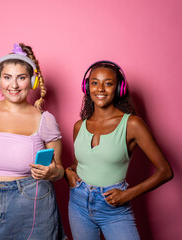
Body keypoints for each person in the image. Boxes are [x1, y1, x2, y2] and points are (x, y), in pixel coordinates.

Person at [0, 43, 66, 240]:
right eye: (7, 77)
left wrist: (53, 172)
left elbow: (59, 169)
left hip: (30, 202)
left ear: (32, 81)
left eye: (21, 78)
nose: (13, 85)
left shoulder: (45, 120)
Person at [65, 61, 173, 240]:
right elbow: (79, 164)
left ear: (119, 88)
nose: (100, 89)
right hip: (78, 203)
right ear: (86, 87)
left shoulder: (132, 124)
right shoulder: (79, 126)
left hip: (113, 206)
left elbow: (165, 171)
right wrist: (68, 172)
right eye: (94, 82)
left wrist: (128, 194)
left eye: (108, 83)